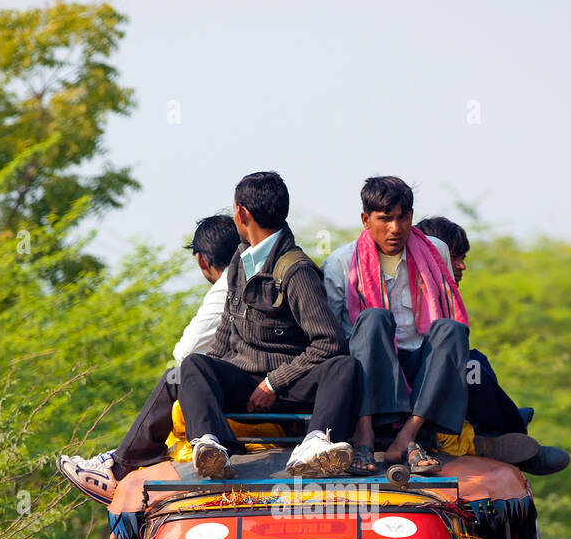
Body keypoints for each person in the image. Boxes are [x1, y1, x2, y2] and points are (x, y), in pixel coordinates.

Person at [57, 172, 361, 502]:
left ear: (242, 214)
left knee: (344, 366)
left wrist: (273, 382)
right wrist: (203, 380)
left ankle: (317, 443)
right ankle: (211, 446)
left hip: (289, 386)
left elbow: (330, 341)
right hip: (244, 380)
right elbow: (225, 335)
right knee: (193, 365)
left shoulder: (296, 269)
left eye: (234, 210)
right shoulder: (240, 260)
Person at [324, 176, 536, 475]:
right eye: (385, 219)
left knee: (453, 330)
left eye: (402, 217)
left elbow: (447, 308)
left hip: (422, 365)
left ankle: (408, 436)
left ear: (411, 216)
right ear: (366, 219)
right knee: (374, 319)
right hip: (370, 371)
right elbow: (333, 339)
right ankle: (365, 433)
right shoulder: (340, 263)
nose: (395, 229)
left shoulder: (434, 249)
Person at [417, 215, 569, 477]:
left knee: (474, 361)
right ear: (432, 254)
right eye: (454, 257)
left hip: (439, 389)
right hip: (414, 394)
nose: (462, 266)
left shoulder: (445, 298)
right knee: (472, 366)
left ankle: (507, 438)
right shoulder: (397, 291)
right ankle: (513, 437)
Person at [172, 214, 241, 362]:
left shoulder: (227, 285)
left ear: (201, 260)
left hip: (255, 380)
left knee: (173, 377)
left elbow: (186, 351)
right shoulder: (261, 273)